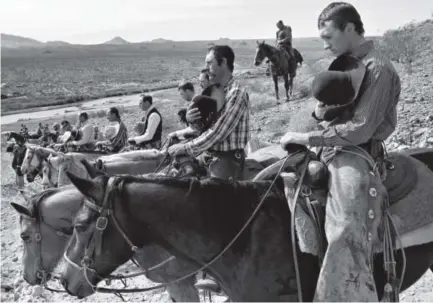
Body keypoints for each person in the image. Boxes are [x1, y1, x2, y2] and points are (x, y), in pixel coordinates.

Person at [279, 2, 401, 301]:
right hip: (329, 147)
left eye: (328, 37)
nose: (324, 45)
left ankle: (347, 293)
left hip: (357, 154)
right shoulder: (344, 64)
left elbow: (361, 129)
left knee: (345, 225)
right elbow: (333, 108)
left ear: (350, 29)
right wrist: (320, 114)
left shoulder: (379, 69)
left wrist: (308, 136)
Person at [168, 45, 250, 293]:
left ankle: (222, 273)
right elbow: (206, 129)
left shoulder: (237, 92)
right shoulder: (214, 92)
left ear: (223, 63)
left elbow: (220, 133)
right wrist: (194, 121)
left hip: (227, 158)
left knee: (216, 212)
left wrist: (188, 148)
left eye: (210, 63)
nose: (207, 69)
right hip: (209, 154)